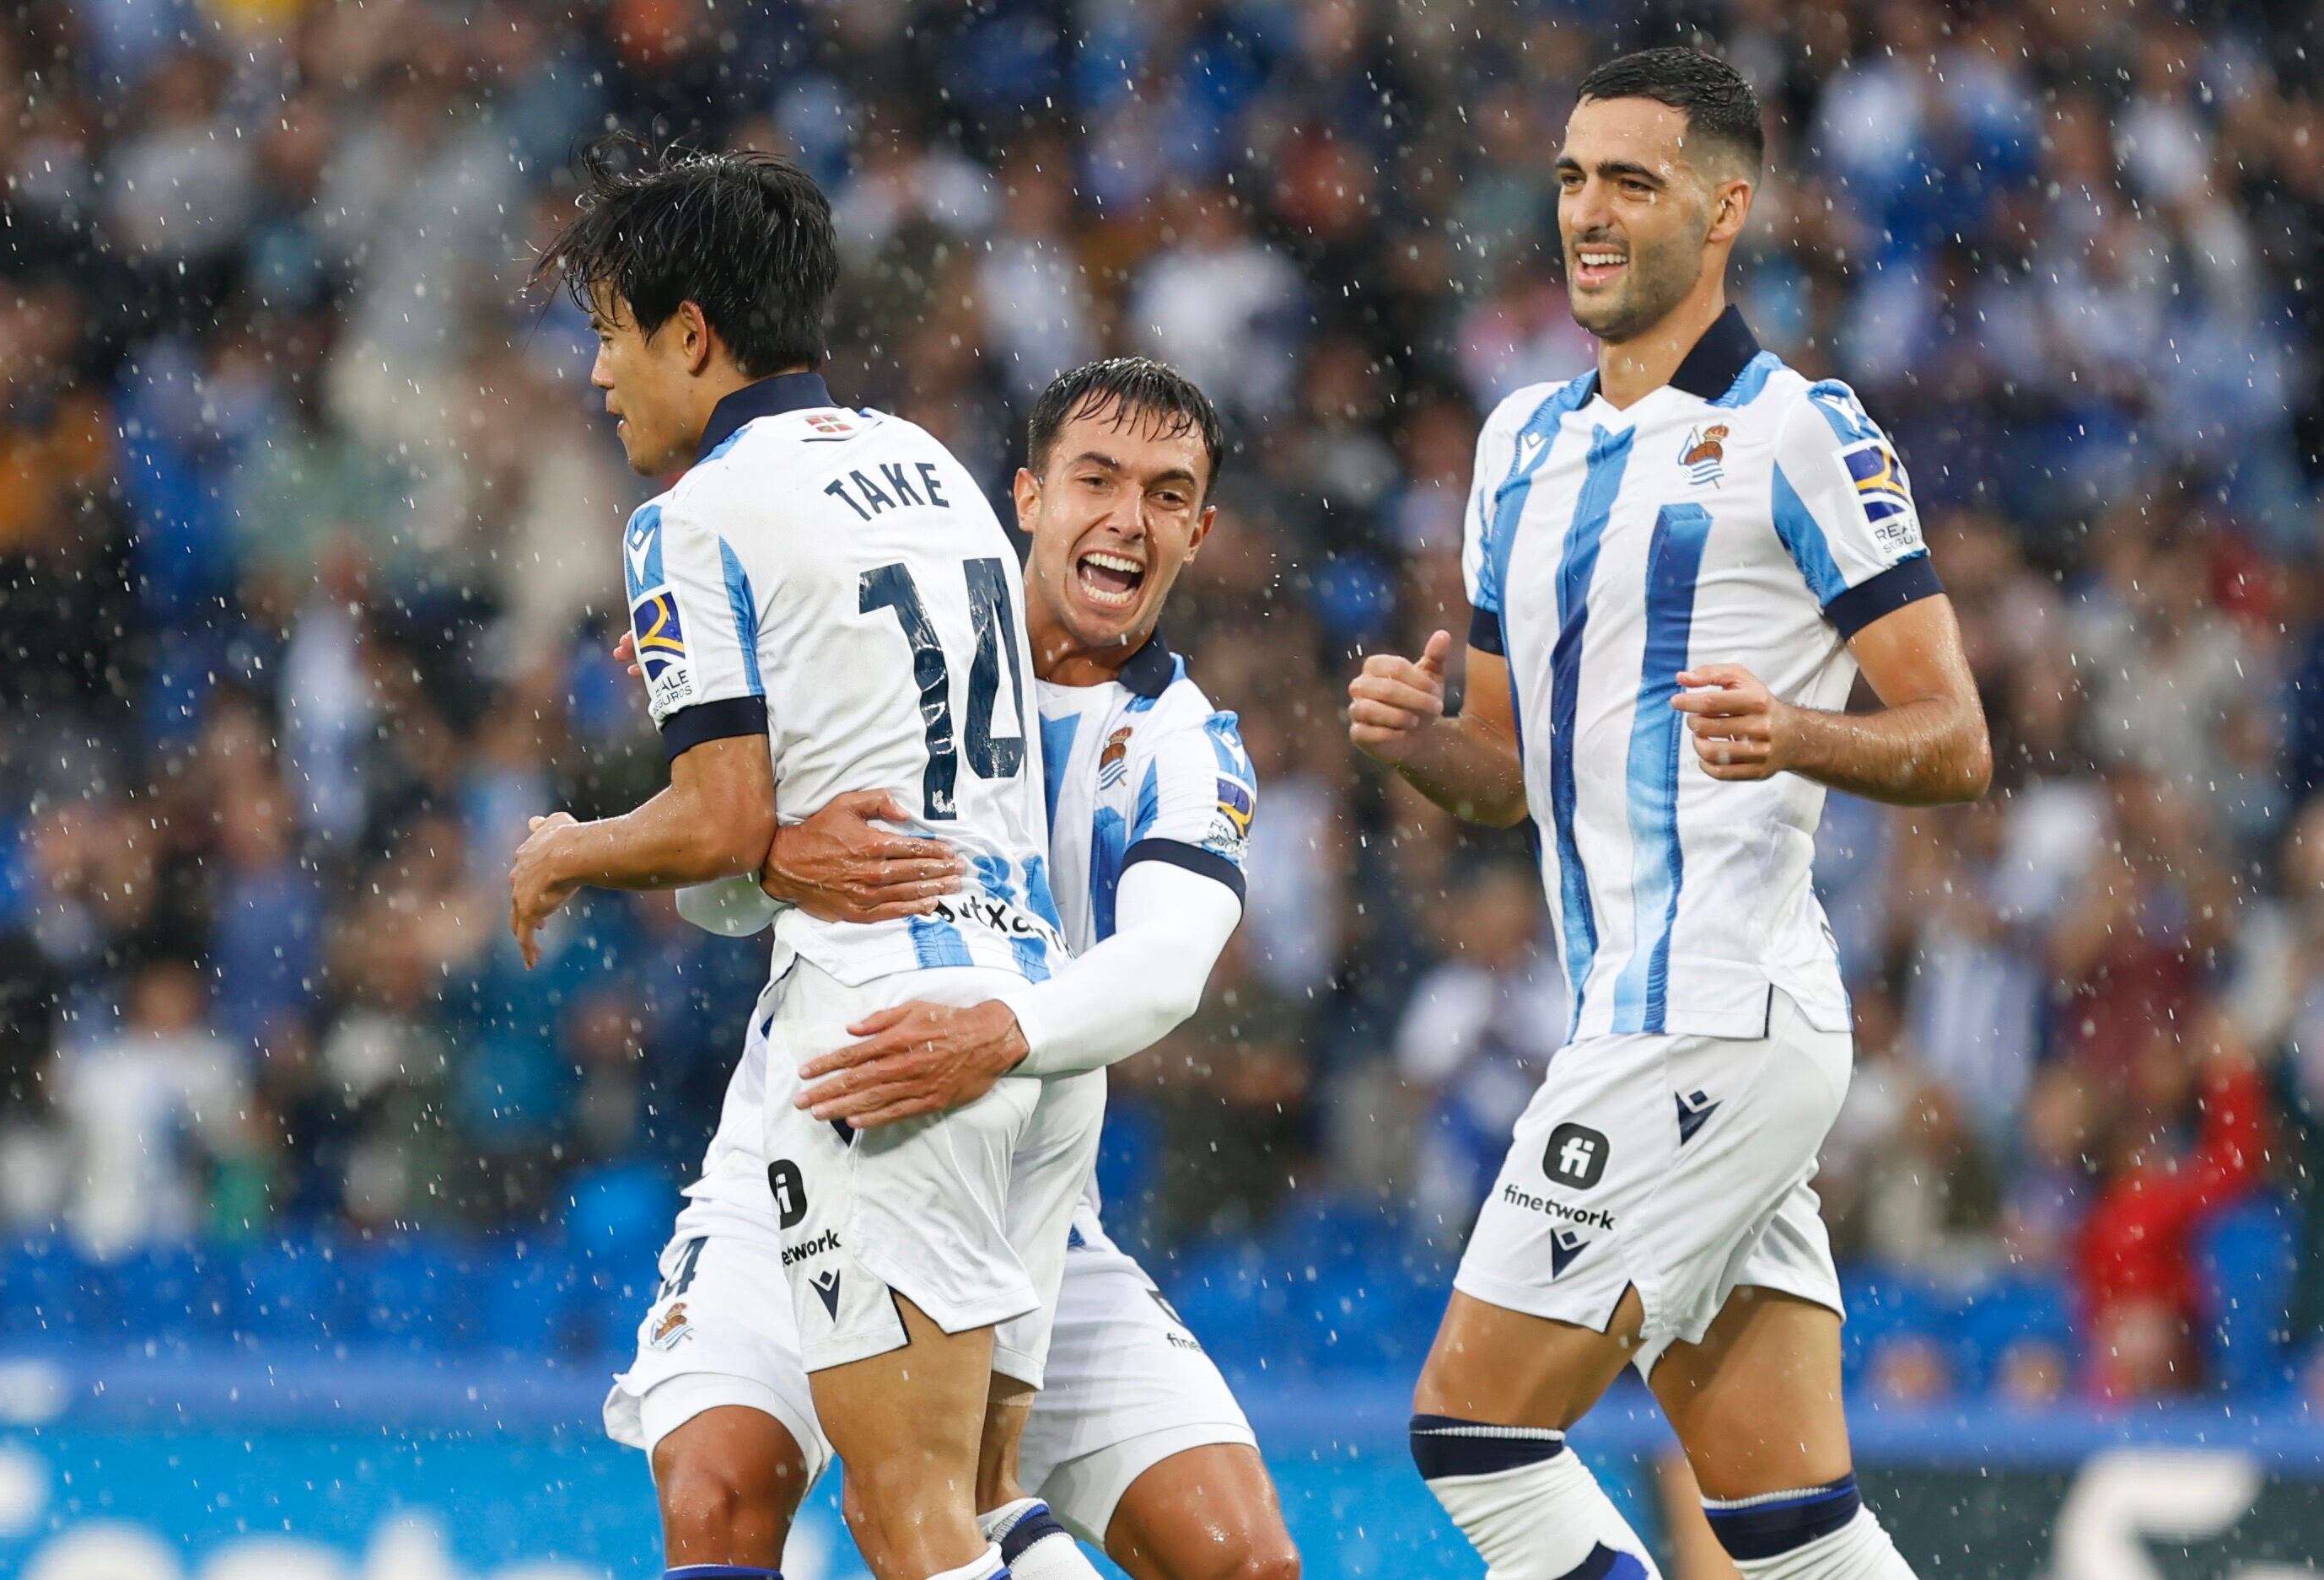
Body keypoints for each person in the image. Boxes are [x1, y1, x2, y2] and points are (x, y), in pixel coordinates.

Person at [1345, 49, 1990, 1580]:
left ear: (1724, 209)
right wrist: (1423, 745)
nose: (1588, 211)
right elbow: (1510, 774)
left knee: (1476, 1432)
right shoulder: (1518, 445)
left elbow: (1956, 736)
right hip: (1638, 1014)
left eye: (1631, 181)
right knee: (1793, 1525)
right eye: (1573, 177)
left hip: (1712, 1011)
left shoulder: (1804, 434)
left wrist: (1798, 735)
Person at [603, 358, 1302, 1580]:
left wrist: (997, 1032)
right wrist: (744, 799)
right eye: (1097, 478)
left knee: (1241, 1562)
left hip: (1020, 1173)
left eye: (1167, 492)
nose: (1126, 519)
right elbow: (708, 900)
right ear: (1024, 498)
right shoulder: (868, 651)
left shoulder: (1183, 747)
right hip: (816, 1132)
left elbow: (1163, 968)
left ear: (1202, 530)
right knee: (723, 1492)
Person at [512, 142, 1100, 1580]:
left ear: (692, 336)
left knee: (920, 1532)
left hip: (882, 1039)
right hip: (998, 1013)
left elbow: (719, 817)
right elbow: (771, 841)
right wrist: (771, 857)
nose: (601, 375)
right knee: (719, 1480)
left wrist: (572, 848)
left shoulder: (692, 517)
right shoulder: (932, 466)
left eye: (611, 334)